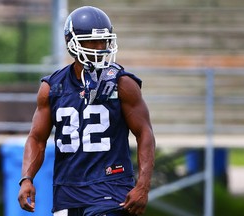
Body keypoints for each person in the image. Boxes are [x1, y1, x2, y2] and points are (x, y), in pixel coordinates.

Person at [18, 6, 155, 216]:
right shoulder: (52, 87)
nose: (100, 47)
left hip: (110, 186)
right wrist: (27, 178)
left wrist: (143, 185)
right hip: (67, 190)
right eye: (91, 41)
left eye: (104, 40)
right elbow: (37, 138)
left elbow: (145, 133)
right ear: (71, 42)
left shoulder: (122, 83)